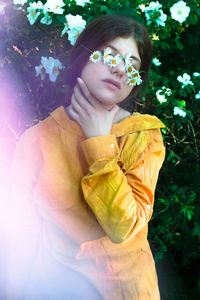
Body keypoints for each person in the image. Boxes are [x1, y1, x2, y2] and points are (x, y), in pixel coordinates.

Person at [6, 15, 165, 300]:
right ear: (83, 55)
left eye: (133, 65)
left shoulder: (143, 136)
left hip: (127, 291)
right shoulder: (37, 139)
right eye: (109, 56)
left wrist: (99, 142)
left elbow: (123, 227)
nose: (119, 70)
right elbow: (19, 234)